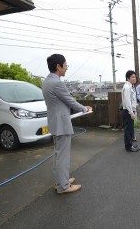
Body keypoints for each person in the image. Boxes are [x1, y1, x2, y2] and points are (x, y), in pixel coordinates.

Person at [42, 54, 92, 194]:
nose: (66, 68)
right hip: (61, 123)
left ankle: (60, 181)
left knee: (58, 154)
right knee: (63, 156)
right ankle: (63, 186)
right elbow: (69, 100)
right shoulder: (57, 83)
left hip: (54, 122)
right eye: (65, 65)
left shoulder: (46, 81)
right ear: (58, 66)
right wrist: (84, 108)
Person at [122, 70, 140, 152]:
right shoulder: (127, 87)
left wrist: (134, 105)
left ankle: (130, 144)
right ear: (128, 78)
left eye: (135, 77)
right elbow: (127, 101)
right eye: (132, 77)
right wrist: (131, 112)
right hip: (128, 111)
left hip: (130, 110)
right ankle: (128, 146)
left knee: (130, 129)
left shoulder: (130, 86)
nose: (134, 78)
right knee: (128, 129)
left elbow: (131, 99)